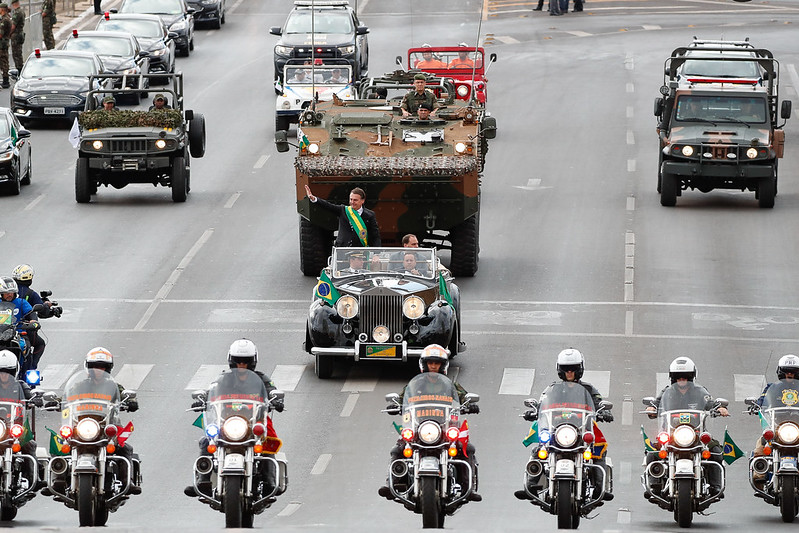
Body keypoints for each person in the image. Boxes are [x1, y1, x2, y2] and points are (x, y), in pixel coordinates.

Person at [378, 344, 481, 501]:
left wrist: (469, 404)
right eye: (430, 362)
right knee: (398, 448)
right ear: (424, 364)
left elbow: (463, 398)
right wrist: (396, 404)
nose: (433, 366)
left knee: (466, 448)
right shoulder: (414, 385)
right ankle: (391, 484)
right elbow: (401, 399)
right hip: (419, 426)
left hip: (444, 426)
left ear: (442, 365)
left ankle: (469, 488)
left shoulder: (450, 385)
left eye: (437, 363)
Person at [184, 339, 283, 497]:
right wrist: (203, 399)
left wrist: (276, 399)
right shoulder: (223, 379)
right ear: (232, 361)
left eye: (245, 362)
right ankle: (203, 481)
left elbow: (271, 390)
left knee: (266, 438)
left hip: (252, 422)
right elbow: (212, 390)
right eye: (238, 362)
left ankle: (269, 481)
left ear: (253, 362)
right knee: (207, 439)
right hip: (227, 422)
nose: (241, 365)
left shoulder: (262, 379)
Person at [515, 349, 614, 501]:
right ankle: (531, 487)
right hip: (557, 431)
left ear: (579, 369)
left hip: (580, 431)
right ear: (560, 370)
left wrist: (603, 411)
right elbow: (542, 404)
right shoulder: (552, 389)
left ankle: (599, 489)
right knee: (539, 450)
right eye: (566, 369)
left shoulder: (589, 389)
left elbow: (598, 403)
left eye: (573, 368)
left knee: (597, 450)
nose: (569, 372)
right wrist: (534, 411)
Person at [644, 356, 728, 495]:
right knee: (652, 454)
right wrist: (651, 408)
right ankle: (654, 485)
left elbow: (710, 402)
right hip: (671, 433)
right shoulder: (667, 392)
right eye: (678, 377)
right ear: (673, 378)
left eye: (685, 377)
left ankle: (715, 486)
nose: (681, 380)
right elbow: (656, 404)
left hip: (697, 433)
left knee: (716, 452)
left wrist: (719, 408)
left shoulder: (700, 392)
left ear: (691, 377)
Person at [81, 347, 141, 494]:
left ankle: (128, 482)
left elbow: (125, 396)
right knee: (63, 443)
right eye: (95, 367)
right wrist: (56, 402)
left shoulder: (114, 386)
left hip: (108, 425)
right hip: (83, 425)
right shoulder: (80, 385)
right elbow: (67, 397)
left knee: (125, 448)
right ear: (89, 368)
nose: (99, 370)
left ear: (108, 369)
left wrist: (131, 401)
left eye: (102, 367)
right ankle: (57, 478)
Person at [751, 354, 799, 488]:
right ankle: (759, 473)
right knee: (761, 444)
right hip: (778, 426)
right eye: (787, 371)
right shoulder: (772, 387)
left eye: (793, 371)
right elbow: (762, 400)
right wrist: (756, 406)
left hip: (798, 427)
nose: (790, 374)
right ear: (781, 372)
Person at [0, 349, 42, 488]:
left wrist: (35, 400)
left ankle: (33, 478)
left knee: (29, 444)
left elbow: (31, 396)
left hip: (15, 425)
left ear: (14, 371)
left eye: (8, 371)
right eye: (1, 371)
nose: (4, 375)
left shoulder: (20, 385)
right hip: (0, 426)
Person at [11, 265, 59, 378]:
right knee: (40, 344)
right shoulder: (29, 294)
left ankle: (28, 372)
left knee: (25, 347)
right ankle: (32, 367)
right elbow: (43, 310)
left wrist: (34, 321)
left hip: (22, 330)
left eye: (10, 293)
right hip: (8, 332)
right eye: (5, 293)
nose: (8, 295)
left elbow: (34, 312)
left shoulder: (21, 302)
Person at [304, 184, 381, 247]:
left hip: (359, 253)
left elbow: (375, 236)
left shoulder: (370, 215)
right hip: (342, 249)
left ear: (362, 201)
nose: (352, 202)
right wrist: (314, 199)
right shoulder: (344, 210)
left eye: (355, 200)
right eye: (351, 199)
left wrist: (376, 254)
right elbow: (328, 206)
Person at [9, 0, 23, 72]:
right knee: (18, 53)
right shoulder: (21, 11)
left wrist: (8, 34)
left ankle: (19, 70)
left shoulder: (17, 12)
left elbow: (13, 26)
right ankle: (20, 69)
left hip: (16, 36)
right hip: (19, 34)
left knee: (16, 54)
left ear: (13, 4)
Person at [0, 4, 11, 88]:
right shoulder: (6, 18)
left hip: (2, 44)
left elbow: (1, 34)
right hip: (4, 43)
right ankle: (5, 80)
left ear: (2, 9)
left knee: (4, 62)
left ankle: (5, 80)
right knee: (4, 62)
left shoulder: (5, 20)